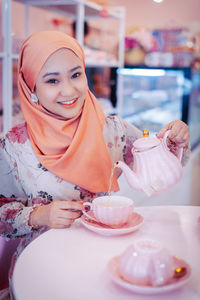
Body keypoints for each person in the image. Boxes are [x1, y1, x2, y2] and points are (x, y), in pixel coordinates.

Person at [0, 31, 190, 299]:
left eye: (76, 75)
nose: (69, 89)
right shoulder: (14, 145)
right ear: (31, 88)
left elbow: (156, 160)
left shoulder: (111, 129)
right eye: (52, 80)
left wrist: (173, 138)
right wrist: (38, 216)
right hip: (41, 264)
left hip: (100, 257)